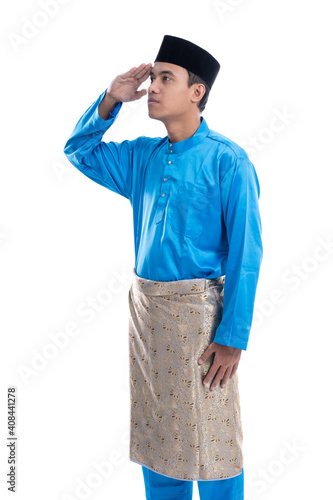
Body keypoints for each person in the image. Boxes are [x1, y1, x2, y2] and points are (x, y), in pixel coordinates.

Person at [64, 34, 263, 500]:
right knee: (159, 439)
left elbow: (246, 255)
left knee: (213, 447)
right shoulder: (142, 157)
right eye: (152, 77)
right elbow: (79, 150)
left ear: (197, 92)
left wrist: (233, 337)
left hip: (201, 323)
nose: (152, 86)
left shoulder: (228, 161)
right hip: (147, 318)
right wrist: (111, 98)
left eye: (164, 78)